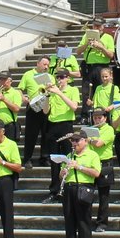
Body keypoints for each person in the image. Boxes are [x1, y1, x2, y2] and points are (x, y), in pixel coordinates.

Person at [57, 130, 103, 238]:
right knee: (69, 222)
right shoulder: (69, 155)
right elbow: (61, 175)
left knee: (84, 222)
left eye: (77, 140)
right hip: (69, 188)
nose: (74, 143)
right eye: (72, 140)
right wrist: (63, 172)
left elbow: (96, 173)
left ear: (85, 141)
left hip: (83, 188)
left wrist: (79, 167)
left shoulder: (92, 155)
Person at [44, 71, 82, 201]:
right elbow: (45, 110)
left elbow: (74, 107)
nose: (59, 79)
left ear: (68, 79)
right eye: (57, 77)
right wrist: (47, 95)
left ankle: (65, 188)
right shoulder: (53, 92)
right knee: (54, 160)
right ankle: (54, 190)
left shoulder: (73, 90)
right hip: (52, 125)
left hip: (66, 125)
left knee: (67, 157)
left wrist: (59, 93)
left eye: (61, 77)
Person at [18, 57, 55, 165]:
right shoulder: (28, 74)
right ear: (37, 63)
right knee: (31, 134)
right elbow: (20, 89)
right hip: (33, 107)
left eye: (48, 65)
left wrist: (49, 87)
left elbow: (53, 90)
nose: (46, 67)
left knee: (46, 133)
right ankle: (27, 158)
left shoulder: (50, 77)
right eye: (44, 64)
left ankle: (44, 158)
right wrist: (23, 98)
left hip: (45, 106)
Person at [88, 106, 117, 230]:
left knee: (103, 197)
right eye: (95, 118)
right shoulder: (89, 129)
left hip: (105, 164)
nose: (97, 120)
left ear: (105, 118)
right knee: (87, 195)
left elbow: (99, 144)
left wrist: (88, 139)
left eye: (100, 117)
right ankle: (86, 221)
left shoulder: (109, 129)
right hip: (91, 164)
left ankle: (102, 223)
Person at [77, 18, 115, 96]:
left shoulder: (108, 37)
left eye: (98, 26)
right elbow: (78, 52)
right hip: (88, 68)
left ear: (103, 27)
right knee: (87, 94)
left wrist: (101, 47)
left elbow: (111, 55)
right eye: (95, 25)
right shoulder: (86, 36)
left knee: (101, 93)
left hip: (102, 68)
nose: (96, 27)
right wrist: (86, 43)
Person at [0, 71, 22, 145]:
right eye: (0, 79)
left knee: (8, 147)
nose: (1, 82)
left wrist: (4, 99)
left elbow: (16, 109)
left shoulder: (15, 93)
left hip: (8, 127)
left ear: (10, 81)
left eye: (4, 80)